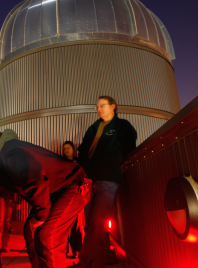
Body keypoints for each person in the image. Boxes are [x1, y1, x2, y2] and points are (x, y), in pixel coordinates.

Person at [0, 125, 87, 268]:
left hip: (73, 185)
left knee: (47, 235)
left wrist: (41, 216)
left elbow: (35, 177)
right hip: (53, 192)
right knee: (30, 231)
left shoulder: (12, 151)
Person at [76, 96, 137, 268]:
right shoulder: (94, 127)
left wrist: (114, 164)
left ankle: (83, 263)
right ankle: (95, 263)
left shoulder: (122, 126)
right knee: (89, 224)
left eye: (102, 105)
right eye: (97, 106)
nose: (99, 109)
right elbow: (82, 150)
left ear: (113, 106)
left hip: (108, 180)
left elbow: (129, 149)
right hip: (89, 181)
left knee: (97, 223)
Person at [62, 141, 84, 259]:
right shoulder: (61, 162)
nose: (66, 150)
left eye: (68, 148)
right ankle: (64, 250)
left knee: (76, 225)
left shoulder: (79, 162)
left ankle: (76, 251)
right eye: (65, 148)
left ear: (73, 149)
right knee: (63, 225)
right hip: (65, 195)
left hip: (77, 195)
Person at [0, 186, 17, 252]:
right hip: (1, 192)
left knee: (6, 220)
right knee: (1, 219)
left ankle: (3, 245)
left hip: (7, 193)